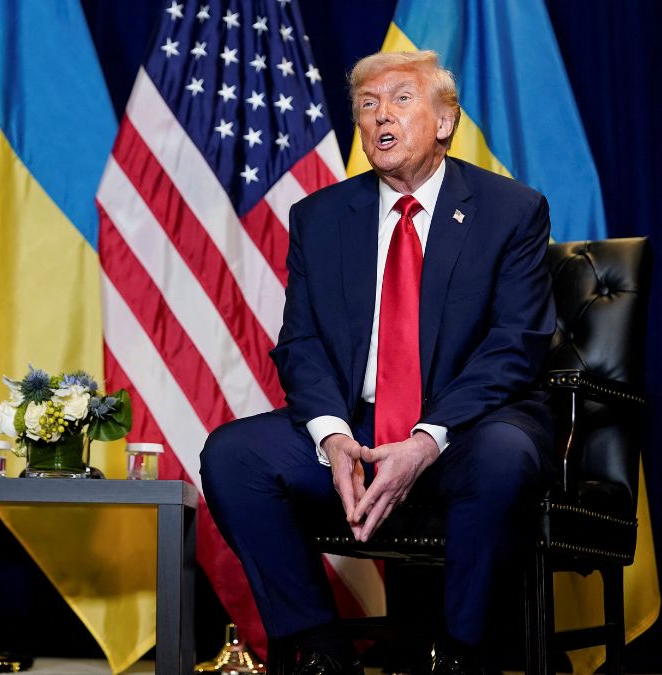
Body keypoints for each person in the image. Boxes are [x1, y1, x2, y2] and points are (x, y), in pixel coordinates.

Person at [200, 50, 556, 675]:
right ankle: (319, 648)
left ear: (445, 122)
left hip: (466, 430)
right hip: (359, 430)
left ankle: (460, 653)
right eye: (367, 106)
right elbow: (302, 342)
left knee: (505, 457)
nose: (379, 117)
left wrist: (426, 438)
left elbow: (515, 345)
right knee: (234, 455)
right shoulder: (321, 217)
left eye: (399, 99)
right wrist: (332, 436)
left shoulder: (512, 211)